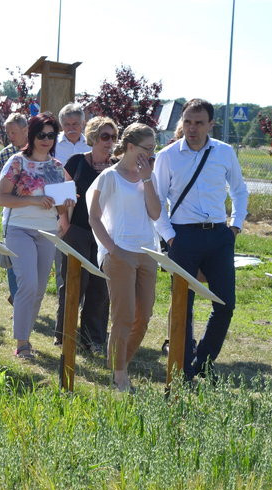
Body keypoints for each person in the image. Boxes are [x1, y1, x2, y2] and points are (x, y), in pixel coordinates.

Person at [153, 98, 248, 381]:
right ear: (181, 122)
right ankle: (183, 368)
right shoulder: (168, 156)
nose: (192, 128)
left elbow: (240, 190)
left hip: (219, 236)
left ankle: (203, 362)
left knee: (225, 304)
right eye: (188, 122)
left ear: (210, 124)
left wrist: (236, 226)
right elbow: (156, 201)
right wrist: (170, 238)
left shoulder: (224, 152)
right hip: (183, 236)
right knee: (184, 305)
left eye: (199, 123)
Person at [88, 123, 161, 391]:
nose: (151, 155)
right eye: (147, 149)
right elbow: (93, 216)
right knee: (124, 316)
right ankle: (119, 374)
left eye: (154, 149)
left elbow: (155, 213)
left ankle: (119, 363)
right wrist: (111, 248)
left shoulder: (148, 176)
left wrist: (148, 179)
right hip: (120, 253)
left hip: (147, 253)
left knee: (144, 315)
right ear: (130, 147)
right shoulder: (109, 177)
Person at [0, 112, 74, 359]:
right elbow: (1, 199)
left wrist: (67, 206)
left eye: (51, 135)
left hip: (47, 232)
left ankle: (26, 337)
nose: (46, 140)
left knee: (39, 288)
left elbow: (60, 206)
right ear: (32, 134)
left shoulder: (57, 167)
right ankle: (22, 343)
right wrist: (34, 199)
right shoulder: (17, 162)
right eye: (41, 134)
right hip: (19, 229)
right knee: (27, 283)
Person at [53, 117, 116, 353]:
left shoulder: (115, 167)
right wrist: (65, 224)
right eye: (104, 136)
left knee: (100, 289)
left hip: (104, 235)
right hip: (77, 231)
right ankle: (64, 334)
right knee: (73, 285)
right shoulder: (77, 162)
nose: (109, 142)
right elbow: (60, 192)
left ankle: (94, 339)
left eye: (113, 137)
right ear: (92, 138)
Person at [0, 113, 28, 305]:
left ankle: (21, 296)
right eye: (8, 132)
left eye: (13, 132)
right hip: (11, 214)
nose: (10, 136)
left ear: (25, 130)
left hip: (33, 214)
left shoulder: (38, 151)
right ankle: (17, 297)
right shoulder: (5, 154)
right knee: (12, 259)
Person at [52, 103, 91, 306]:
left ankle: (83, 305)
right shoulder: (54, 145)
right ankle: (65, 308)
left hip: (84, 211)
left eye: (75, 123)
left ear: (83, 123)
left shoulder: (91, 145)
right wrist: (61, 214)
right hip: (56, 207)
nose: (71, 128)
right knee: (62, 262)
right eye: (66, 124)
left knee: (85, 263)